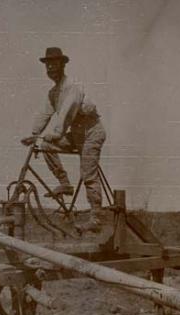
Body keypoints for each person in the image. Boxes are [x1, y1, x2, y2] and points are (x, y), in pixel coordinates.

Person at [21, 47, 107, 234]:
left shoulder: (72, 87)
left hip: (92, 133)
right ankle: (65, 183)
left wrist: (57, 132)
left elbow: (68, 112)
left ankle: (96, 218)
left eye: (54, 64)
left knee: (88, 174)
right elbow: (44, 113)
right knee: (46, 145)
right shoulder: (54, 92)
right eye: (47, 65)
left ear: (63, 65)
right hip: (76, 136)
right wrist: (34, 134)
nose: (50, 68)